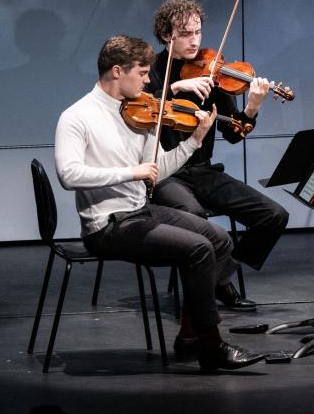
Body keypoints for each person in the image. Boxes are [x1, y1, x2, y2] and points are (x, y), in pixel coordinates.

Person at [54, 35, 264, 371]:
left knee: (219, 239)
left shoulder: (139, 111)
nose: (148, 80)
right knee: (197, 249)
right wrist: (129, 172)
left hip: (140, 212)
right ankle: (212, 346)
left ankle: (191, 333)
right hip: (107, 225)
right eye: (141, 73)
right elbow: (69, 175)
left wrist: (194, 142)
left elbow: (158, 167)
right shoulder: (77, 117)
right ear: (117, 71)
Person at [146, 0, 290, 312]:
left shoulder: (213, 73)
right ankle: (218, 288)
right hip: (164, 173)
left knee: (274, 216)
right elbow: (137, 106)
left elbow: (234, 134)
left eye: (197, 31)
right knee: (195, 219)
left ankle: (219, 277)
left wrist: (251, 108)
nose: (195, 40)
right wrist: (176, 89)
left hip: (202, 170)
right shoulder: (150, 70)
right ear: (166, 34)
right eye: (185, 33)